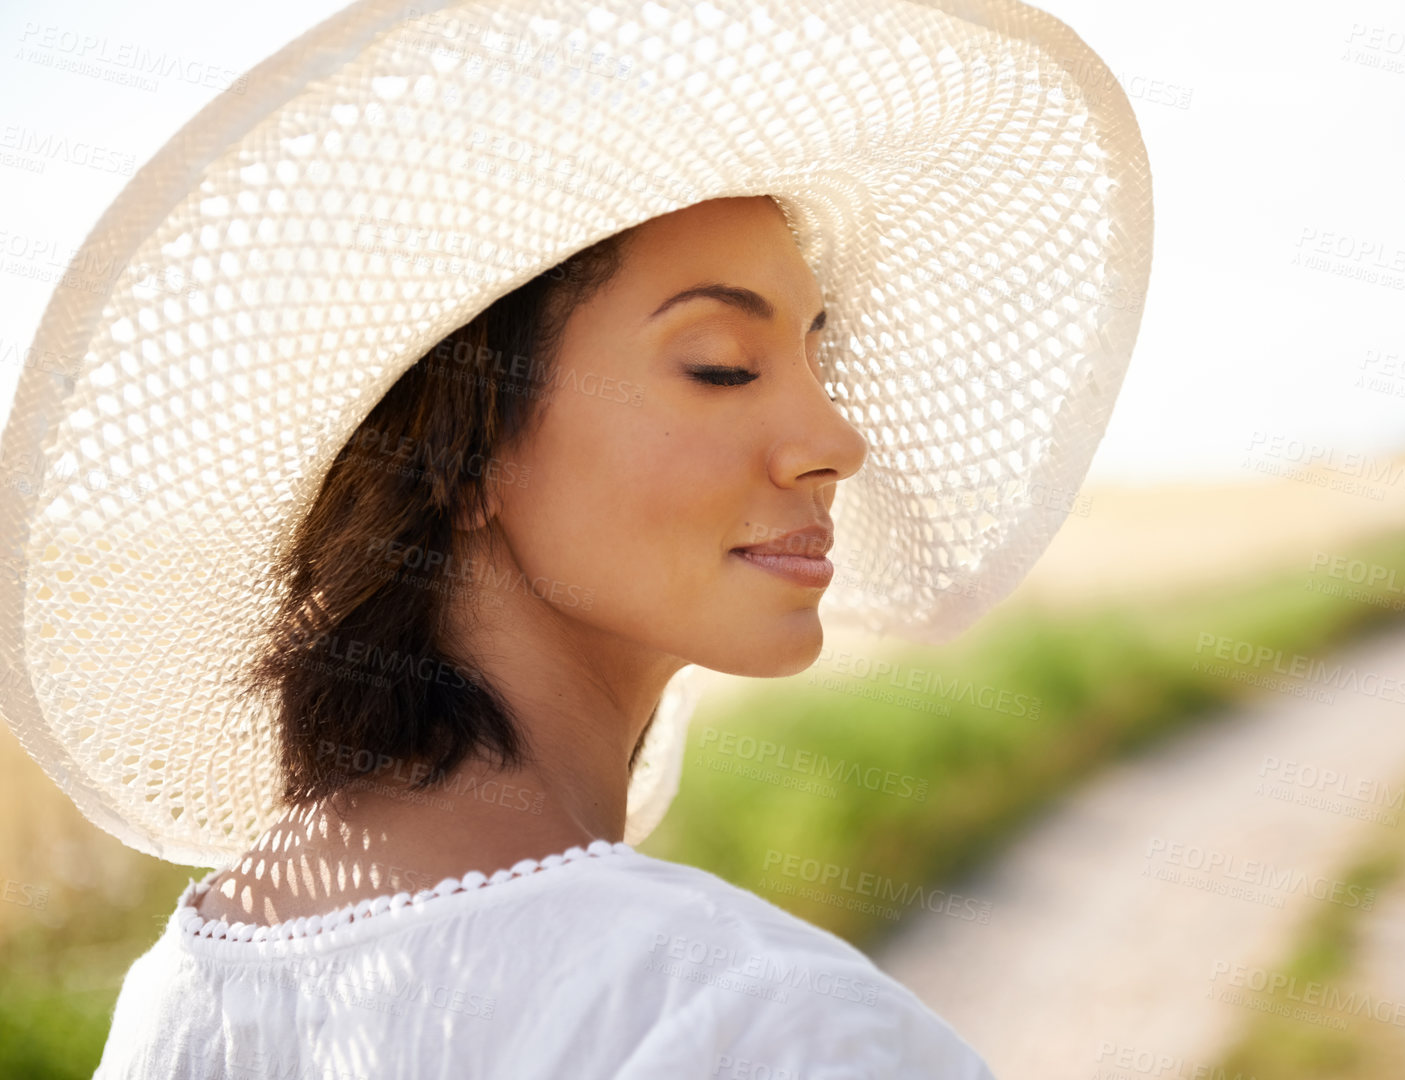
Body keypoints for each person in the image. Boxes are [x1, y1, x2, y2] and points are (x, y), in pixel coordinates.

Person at [0, 1, 1152, 1076]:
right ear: (457, 452)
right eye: (720, 365)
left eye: (817, 351)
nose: (836, 438)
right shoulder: (764, 1026)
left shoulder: (183, 1001)